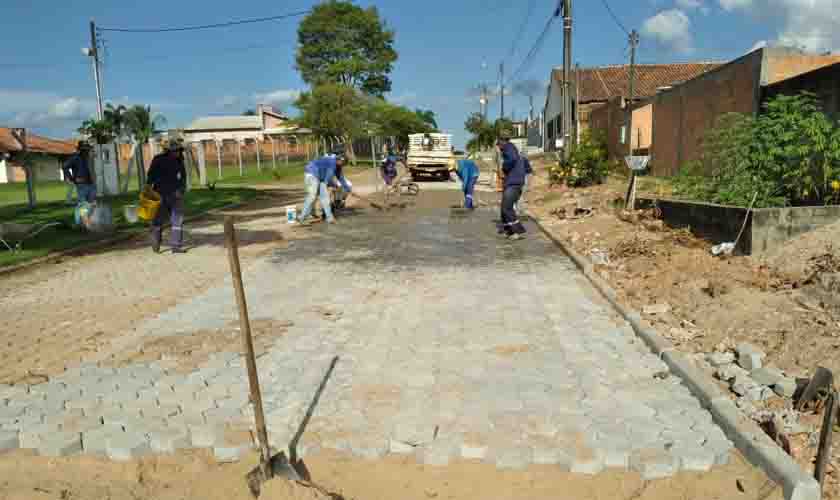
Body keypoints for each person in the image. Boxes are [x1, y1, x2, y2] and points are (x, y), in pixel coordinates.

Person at [146, 140, 187, 254]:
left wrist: (181, 190)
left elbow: (183, 177)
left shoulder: (178, 160)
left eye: (179, 150)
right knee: (159, 220)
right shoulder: (162, 159)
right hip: (162, 194)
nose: (178, 152)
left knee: (176, 221)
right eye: (176, 150)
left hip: (173, 194)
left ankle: (175, 246)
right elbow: (151, 176)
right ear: (168, 151)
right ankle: (156, 244)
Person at [298, 152, 351, 225]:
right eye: (343, 163)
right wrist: (331, 184)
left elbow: (341, 178)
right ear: (340, 160)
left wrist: (347, 189)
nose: (343, 165)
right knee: (312, 196)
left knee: (325, 198)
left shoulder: (338, 166)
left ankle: (330, 219)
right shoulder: (332, 162)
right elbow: (329, 175)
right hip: (312, 173)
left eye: (343, 164)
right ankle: (302, 218)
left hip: (320, 178)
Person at [497, 138, 527, 240]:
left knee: (507, 207)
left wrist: (504, 168)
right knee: (503, 208)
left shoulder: (509, 148)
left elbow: (512, 160)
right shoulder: (512, 151)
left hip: (514, 183)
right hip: (512, 182)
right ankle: (508, 230)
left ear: (502, 143)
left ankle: (517, 231)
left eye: (499, 145)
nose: (499, 148)